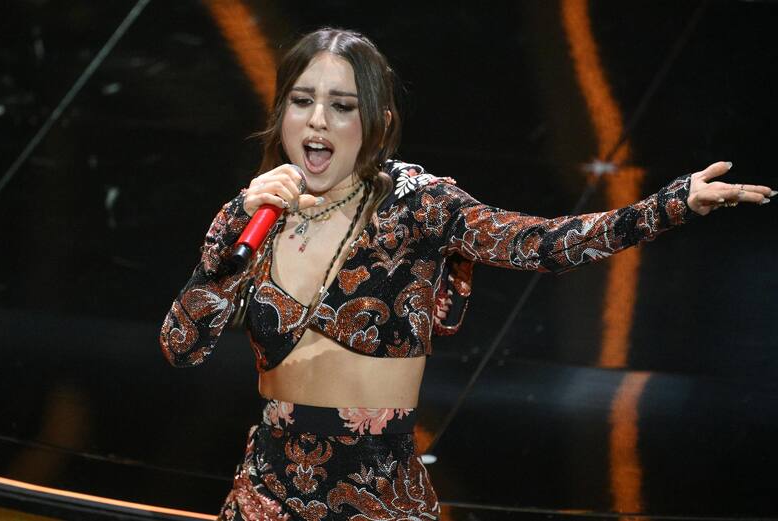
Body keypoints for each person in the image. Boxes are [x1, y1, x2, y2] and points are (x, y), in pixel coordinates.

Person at [158, 27, 773, 521]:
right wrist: (232, 232)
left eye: (340, 106)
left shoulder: (417, 203)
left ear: (376, 121)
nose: (317, 121)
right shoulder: (254, 214)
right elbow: (181, 349)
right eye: (302, 101)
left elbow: (540, 244)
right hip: (262, 499)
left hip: (378, 503)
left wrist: (670, 204)